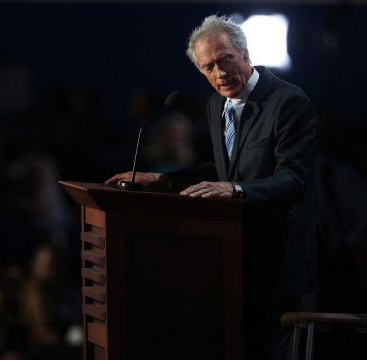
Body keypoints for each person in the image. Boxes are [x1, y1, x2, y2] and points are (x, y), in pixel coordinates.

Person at [106, 14, 320, 359]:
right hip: (232, 254)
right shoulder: (216, 104)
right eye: (209, 67)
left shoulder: (287, 103)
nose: (219, 73)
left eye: (226, 60)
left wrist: (235, 190)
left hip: (279, 259)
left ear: (245, 54)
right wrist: (168, 179)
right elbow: (221, 170)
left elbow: (293, 180)